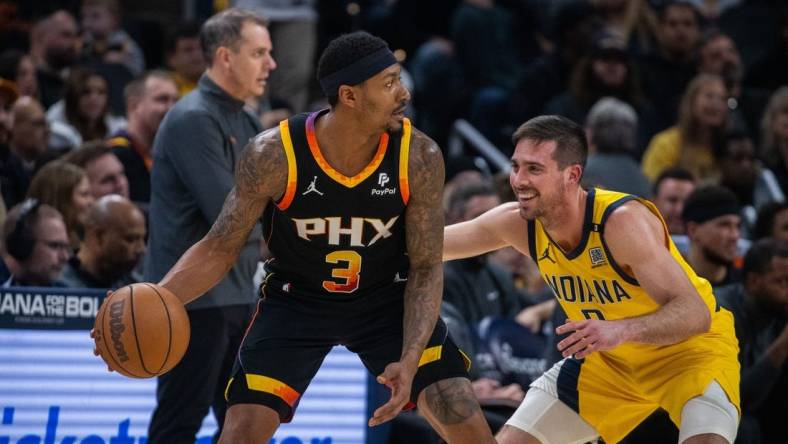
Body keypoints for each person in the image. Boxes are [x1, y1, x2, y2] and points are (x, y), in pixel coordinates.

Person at [131, 30, 496, 443]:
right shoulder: (274, 154)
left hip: (386, 301)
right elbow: (221, 245)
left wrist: (410, 358)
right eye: (389, 82)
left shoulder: (419, 156)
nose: (404, 93)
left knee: (459, 408)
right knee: (242, 431)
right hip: (297, 301)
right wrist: (157, 299)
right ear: (350, 96)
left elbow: (427, 265)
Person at [444, 115, 740, 444]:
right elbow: (428, 246)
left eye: (534, 169)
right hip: (609, 365)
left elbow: (694, 313)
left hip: (688, 355)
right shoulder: (518, 223)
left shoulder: (621, 222)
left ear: (572, 175)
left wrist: (620, 329)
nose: (518, 180)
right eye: (516, 166)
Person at [142, 9, 273, 444]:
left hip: (238, 294)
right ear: (225, 57)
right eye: (259, 53)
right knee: (180, 421)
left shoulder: (248, 119)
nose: (270, 64)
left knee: (244, 425)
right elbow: (232, 214)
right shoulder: (193, 118)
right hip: (193, 299)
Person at [717, 239, 788, 444]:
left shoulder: (776, 310)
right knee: (746, 427)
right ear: (753, 281)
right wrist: (783, 345)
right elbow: (734, 398)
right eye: (781, 281)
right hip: (710, 413)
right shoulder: (723, 313)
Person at [107, 70, 179, 204]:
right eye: (162, 99)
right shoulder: (118, 154)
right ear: (133, 106)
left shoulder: (165, 152)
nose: (172, 108)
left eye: (175, 100)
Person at [60, 194, 145, 289]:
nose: (140, 249)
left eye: (142, 239)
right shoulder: (58, 289)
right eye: (130, 239)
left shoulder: (135, 287)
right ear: (98, 236)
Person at [1, 199, 70, 287]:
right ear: (22, 245)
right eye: (54, 246)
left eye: (66, 248)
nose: (65, 257)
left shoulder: (63, 292)